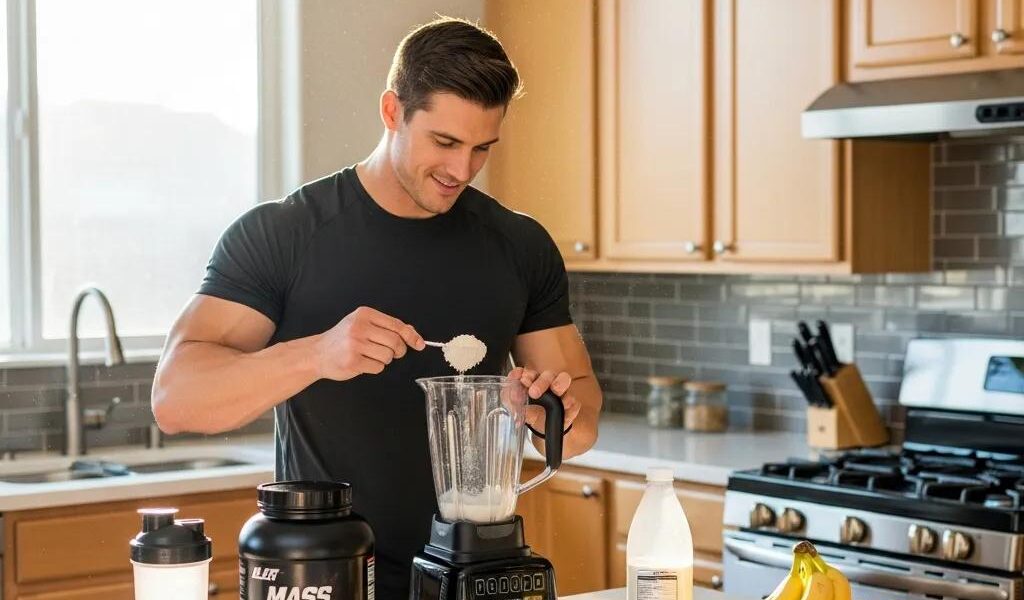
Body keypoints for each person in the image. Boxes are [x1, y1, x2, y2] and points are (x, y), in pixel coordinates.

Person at [151, 16, 602, 599]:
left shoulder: (519, 246)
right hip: (324, 577)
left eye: (481, 149)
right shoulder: (284, 234)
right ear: (392, 111)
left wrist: (553, 416)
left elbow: (582, 406)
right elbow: (175, 400)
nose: (461, 171)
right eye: (444, 142)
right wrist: (318, 353)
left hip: (473, 577)